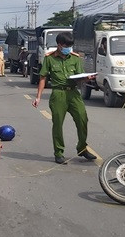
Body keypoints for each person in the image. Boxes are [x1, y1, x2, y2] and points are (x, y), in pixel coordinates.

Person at [32, 32, 97, 164]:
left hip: (73, 93)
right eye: (66, 46)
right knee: (57, 124)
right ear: (59, 45)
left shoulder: (75, 58)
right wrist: (38, 97)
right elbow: (43, 78)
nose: (68, 49)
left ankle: (82, 148)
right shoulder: (49, 58)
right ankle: (59, 152)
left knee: (82, 119)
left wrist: (86, 78)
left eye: (70, 46)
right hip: (58, 94)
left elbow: (79, 77)